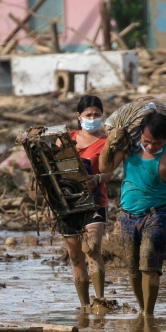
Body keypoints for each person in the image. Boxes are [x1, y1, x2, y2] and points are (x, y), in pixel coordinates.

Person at [99, 108, 166, 315]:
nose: (150, 146)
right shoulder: (129, 146)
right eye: (146, 141)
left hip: (156, 214)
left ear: (165, 139)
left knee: (150, 266)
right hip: (127, 215)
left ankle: (148, 314)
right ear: (140, 134)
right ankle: (142, 309)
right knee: (132, 269)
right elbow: (105, 169)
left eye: (156, 143)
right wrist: (108, 143)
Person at [57, 95, 112, 309]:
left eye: (97, 114)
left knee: (92, 248)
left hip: (95, 201)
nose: (92, 118)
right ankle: (84, 305)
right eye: (88, 115)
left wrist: (97, 178)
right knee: (74, 255)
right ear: (78, 117)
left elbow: (110, 172)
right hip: (68, 203)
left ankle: (99, 300)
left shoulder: (106, 142)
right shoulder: (65, 139)